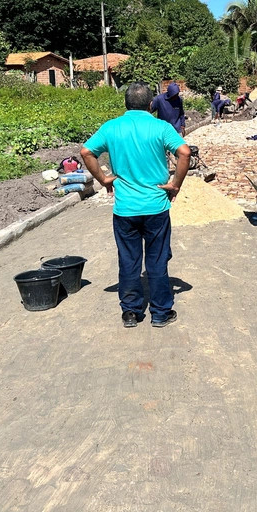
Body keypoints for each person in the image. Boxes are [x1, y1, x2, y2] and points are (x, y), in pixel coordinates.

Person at [81, 83, 191, 328]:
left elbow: (87, 151)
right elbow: (184, 152)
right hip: (156, 207)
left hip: (125, 210)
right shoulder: (160, 127)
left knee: (129, 260)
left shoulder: (111, 128)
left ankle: (130, 312)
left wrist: (103, 179)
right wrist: (175, 185)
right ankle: (161, 312)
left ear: (126, 104)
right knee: (157, 260)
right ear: (151, 105)